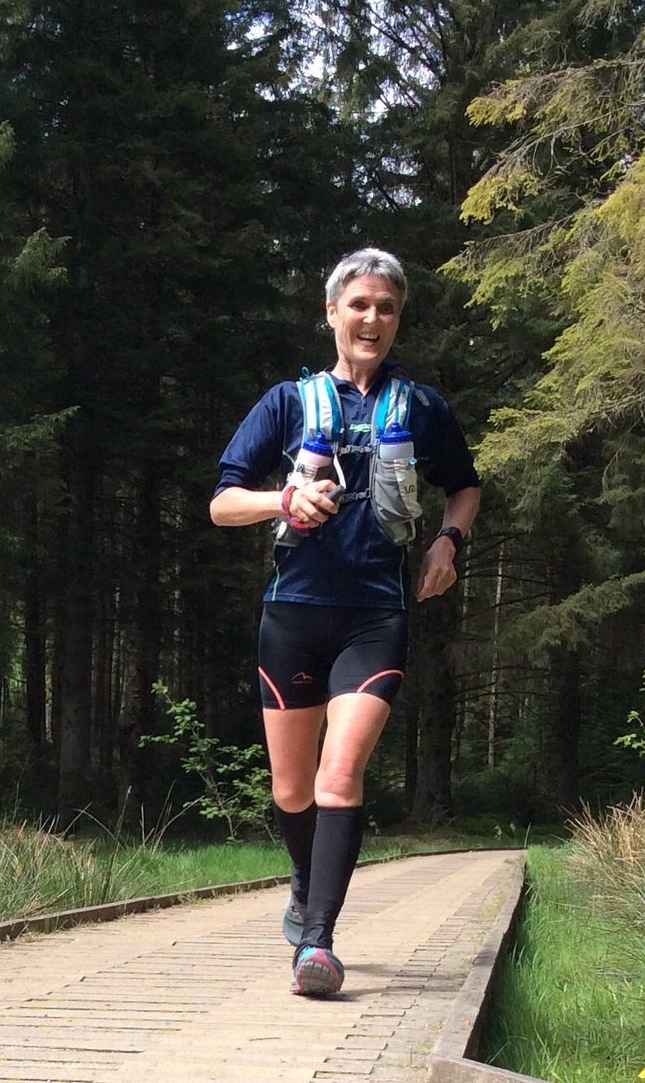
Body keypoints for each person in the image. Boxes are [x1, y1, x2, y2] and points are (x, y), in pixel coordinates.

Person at [209, 247, 481, 997]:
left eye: (386, 307)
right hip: (293, 614)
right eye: (358, 304)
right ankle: (304, 880)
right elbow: (222, 502)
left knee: (340, 771)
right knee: (293, 788)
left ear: (398, 320)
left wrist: (447, 543)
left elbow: (464, 487)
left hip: (375, 614)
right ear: (332, 312)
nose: (372, 318)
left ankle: (319, 945)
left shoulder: (420, 406)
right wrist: (283, 501)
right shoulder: (288, 403)